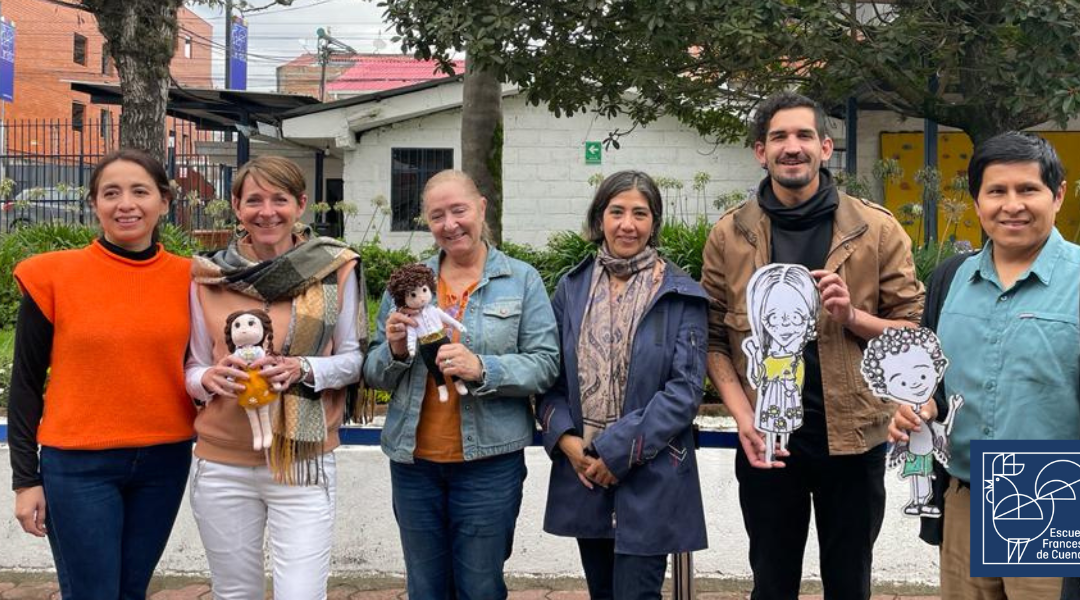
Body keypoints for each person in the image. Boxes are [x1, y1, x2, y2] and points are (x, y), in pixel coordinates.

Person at [701, 91, 924, 599]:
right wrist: (744, 419)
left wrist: (852, 316)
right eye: (779, 136)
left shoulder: (876, 229)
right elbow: (712, 339)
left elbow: (912, 333)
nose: (792, 146)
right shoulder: (730, 235)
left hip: (853, 440)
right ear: (761, 151)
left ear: (826, 147)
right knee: (771, 583)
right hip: (768, 442)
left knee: (849, 584)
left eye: (804, 135)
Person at [890, 132, 1079, 600]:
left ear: (1057, 195)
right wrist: (921, 409)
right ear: (977, 203)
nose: (1012, 205)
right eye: (996, 191)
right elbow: (934, 383)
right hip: (965, 494)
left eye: (1028, 189)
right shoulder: (950, 279)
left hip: (1049, 494)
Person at [9, 148, 195, 599]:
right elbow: (26, 383)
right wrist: (25, 479)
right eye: (111, 193)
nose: (125, 204)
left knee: (131, 592)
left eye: (140, 192)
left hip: (164, 462)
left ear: (164, 201)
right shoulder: (51, 277)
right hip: (78, 466)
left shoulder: (192, 280)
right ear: (94, 204)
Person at [364, 169, 559, 600]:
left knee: (480, 587)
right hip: (414, 464)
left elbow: (546, 365)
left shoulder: (521, 280)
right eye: (437, 216)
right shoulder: (408, 283)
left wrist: (482, 368)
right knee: (425, 587)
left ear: (481, 208)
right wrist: (395, 350)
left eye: (459, 210)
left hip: (489, 464)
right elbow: (373, 373)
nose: (450, 224)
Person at [185, 155, 366, 600]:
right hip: (222, 462)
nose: (267, 212)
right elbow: (193, 365)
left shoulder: (335, 268)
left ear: (300, 204)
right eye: (254, 200)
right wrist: (210, 378)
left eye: (279, 199)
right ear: (236, 206)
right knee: (235, 593)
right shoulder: (207, 276)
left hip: (303, 460)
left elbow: (354, 359)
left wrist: (303, 368)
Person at [537, 170, 708, 600]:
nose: (627, 225)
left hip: (651, 472)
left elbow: (684, 392)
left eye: (640, 213)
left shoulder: (679, 295)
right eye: (617, 212)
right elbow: (549, 379)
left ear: (654, 222)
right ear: (600, 218)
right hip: (586, 474)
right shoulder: (571, 289)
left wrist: (615, 454)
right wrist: (570, 446)